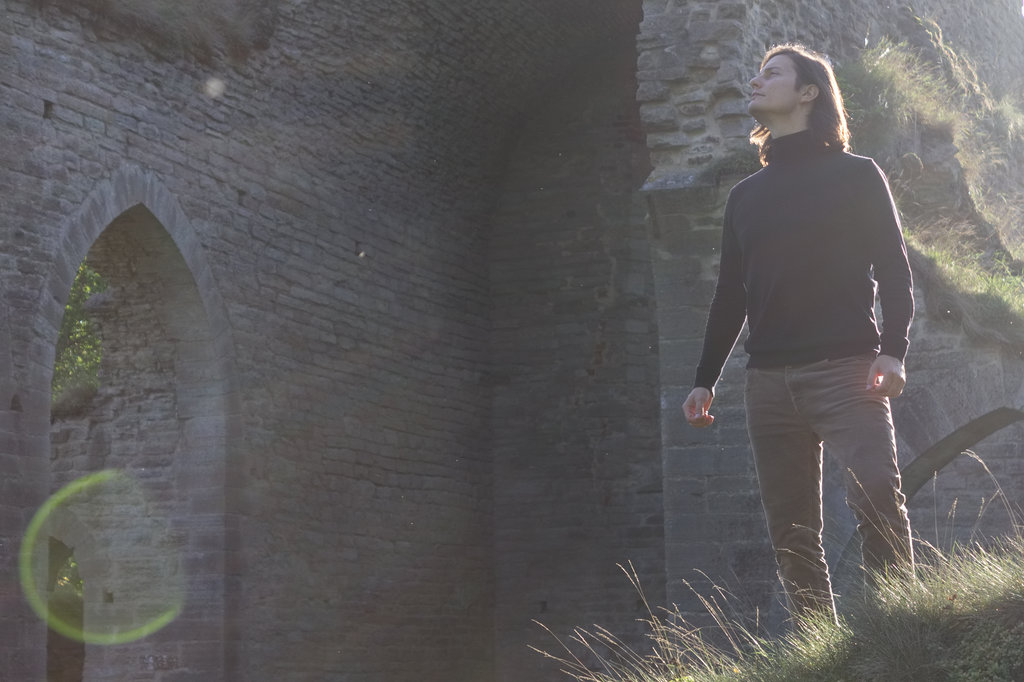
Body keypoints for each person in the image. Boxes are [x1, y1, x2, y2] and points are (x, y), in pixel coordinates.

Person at [681, 43, 915, 623]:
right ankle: (821, 645)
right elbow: (730, 296)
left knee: (878, 496)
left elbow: (894, 268)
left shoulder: (858, 176)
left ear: (809, 92)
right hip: (768, 383)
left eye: (772, 74)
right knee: (791, 530)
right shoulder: (744, 197)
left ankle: (903, 630)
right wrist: (703, 381)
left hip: (847, 371)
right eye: (757, 74)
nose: (755, 83)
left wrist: (893, 351)